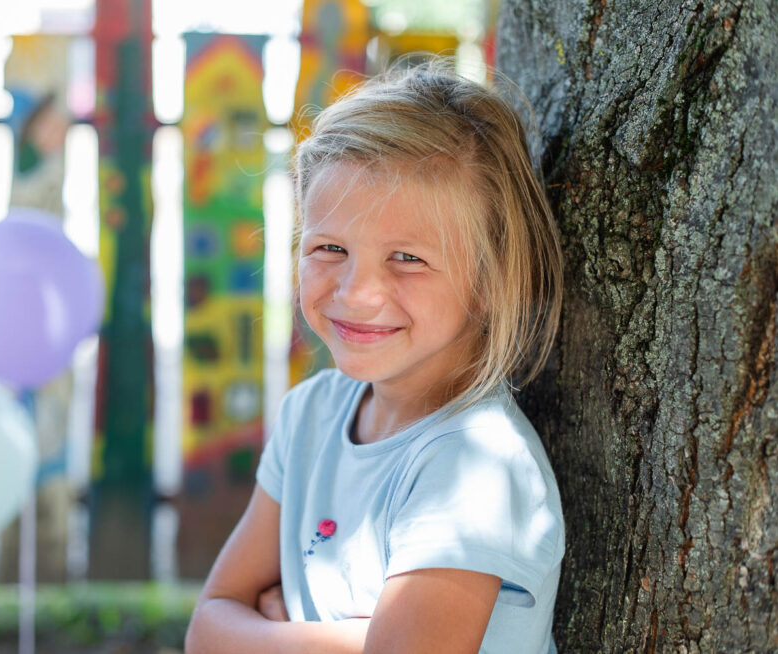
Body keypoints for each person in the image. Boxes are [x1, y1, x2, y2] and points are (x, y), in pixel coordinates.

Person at [184, 56, 566, 654]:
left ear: (493, 279)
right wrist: (352, 640)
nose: (356, 293)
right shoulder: (312, 413)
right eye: (330, 246)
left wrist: (276, 631)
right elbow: (207, 630)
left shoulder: (478, 469)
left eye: (408, 258)